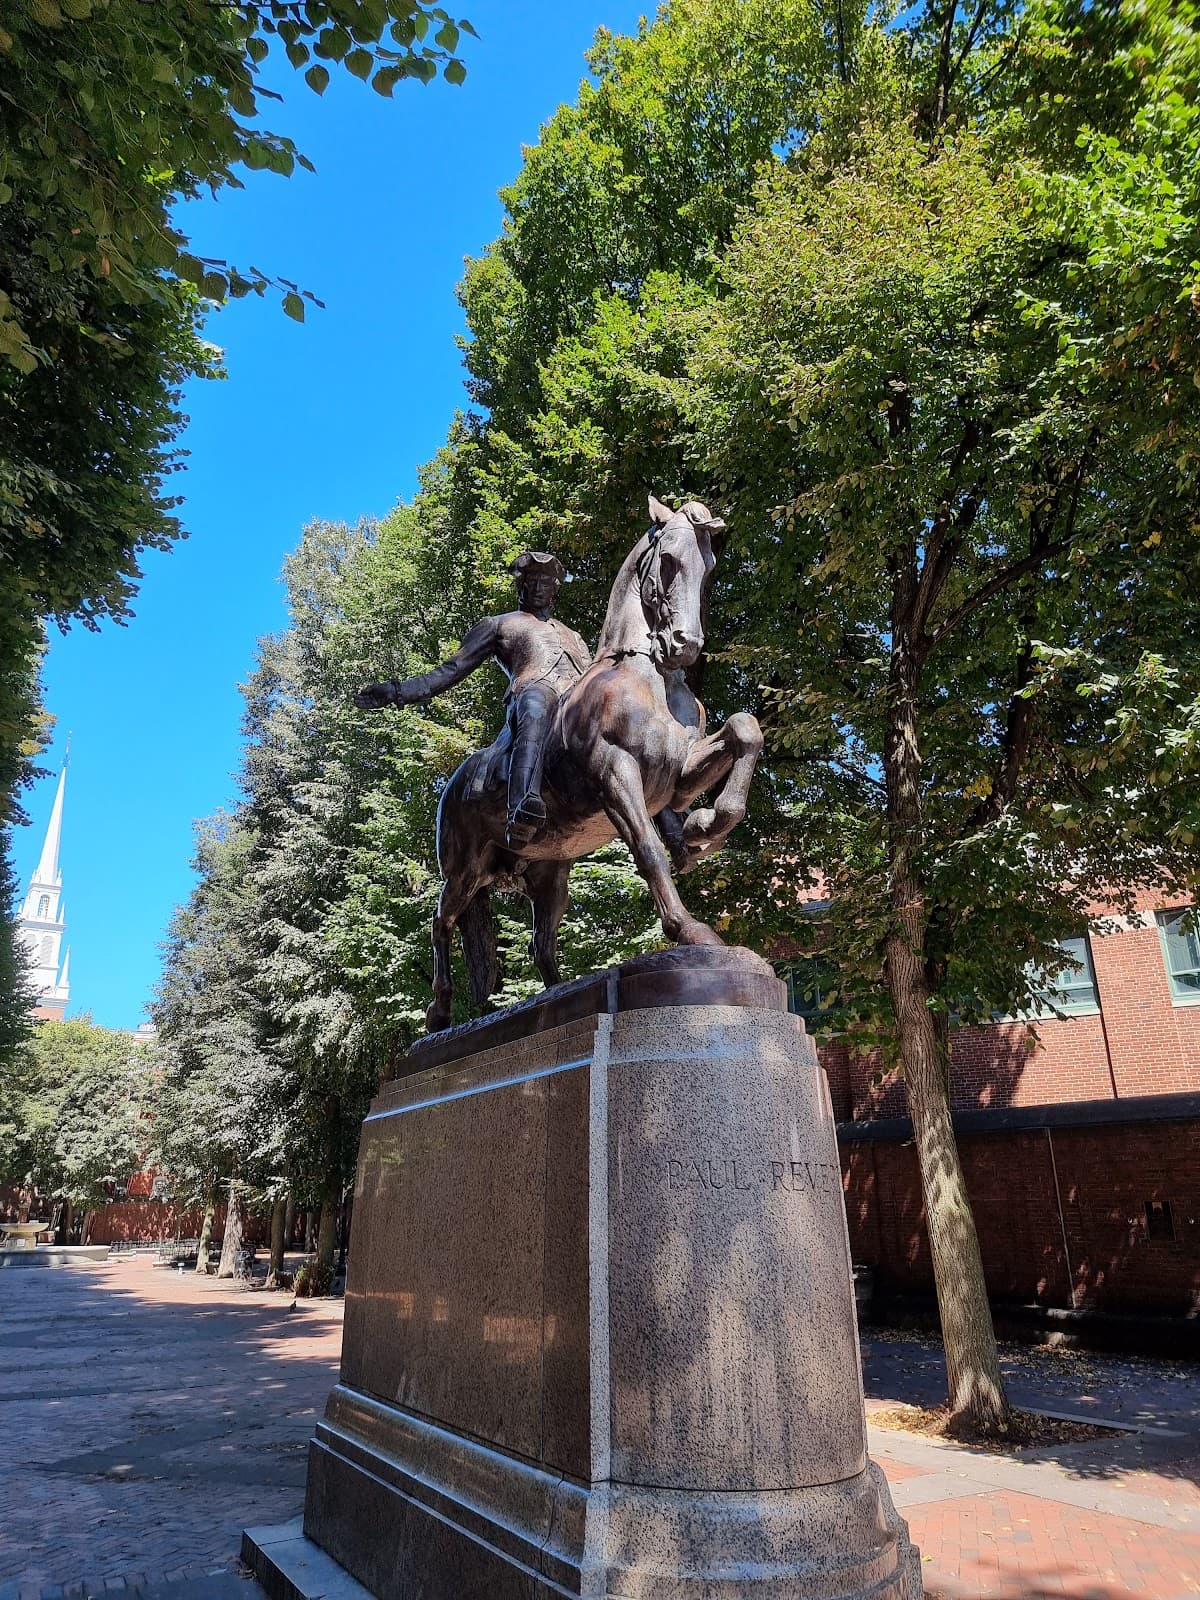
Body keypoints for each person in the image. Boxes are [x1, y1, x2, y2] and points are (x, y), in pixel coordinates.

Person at [355, 552, 591, 846]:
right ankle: (521, 806)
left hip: (576, 703)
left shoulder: (573, 636)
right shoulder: (498, 625)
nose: (538, 587)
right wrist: (398, 691)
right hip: (534, 696)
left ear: (556, 588)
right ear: (520, 586)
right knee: (535, 703)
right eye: (530, 581)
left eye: (545, 581)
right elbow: (451, 670)